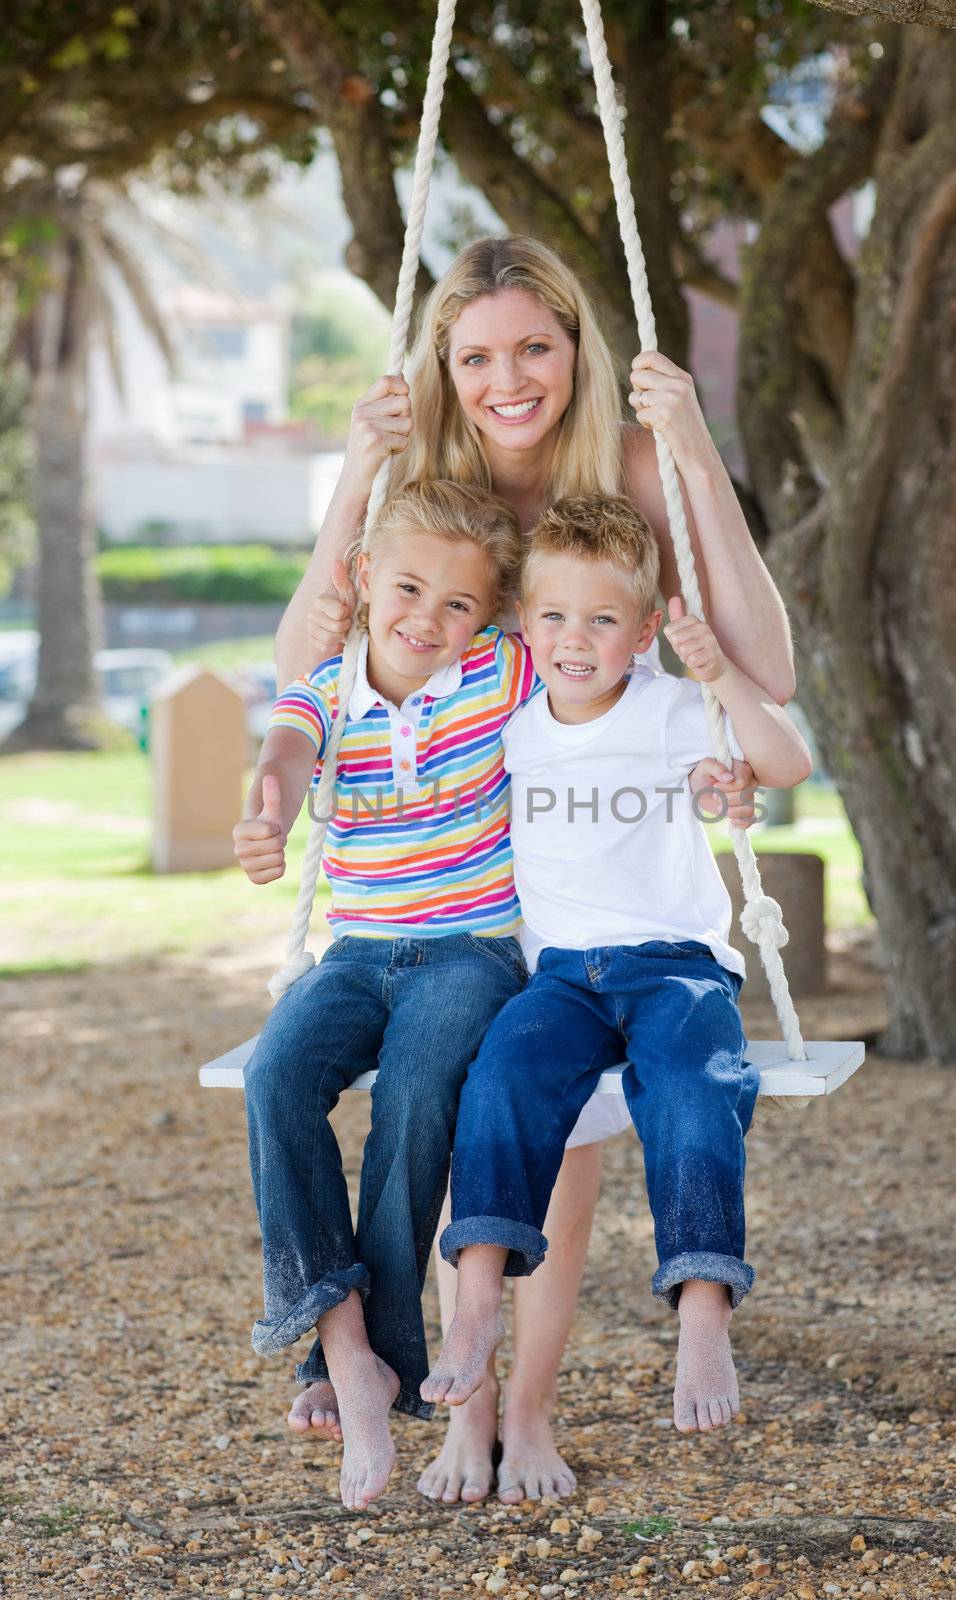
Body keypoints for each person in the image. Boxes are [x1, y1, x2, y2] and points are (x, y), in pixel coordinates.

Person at [276, 235, 797, 1504]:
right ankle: (446, 1409)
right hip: (459, 875)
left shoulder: (617, 464)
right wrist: (354, 475)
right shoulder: (418, 474)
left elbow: (763, 671)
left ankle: (524, 1411)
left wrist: (694, 460)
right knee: (476, 1129)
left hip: (596, 882)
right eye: (475, 356)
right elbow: (307, 662)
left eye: (535, 348)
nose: (508, 379)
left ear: (576, 348)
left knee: (560, 1152)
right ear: (440, 369)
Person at [421, 494, 812, 1434]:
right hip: (560, 975)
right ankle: (475, 1298)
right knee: (500, 1077)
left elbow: (784, 762)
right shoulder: (513, 725)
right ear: (524, 623)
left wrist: (720, 685)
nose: (574, 639)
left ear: (642, 632)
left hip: (675, 968)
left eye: (601, 620)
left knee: (692, 1087)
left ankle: (702, 1302)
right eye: (553, 616)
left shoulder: (674, 710)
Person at [232, 480, 539, 1512]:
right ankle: (346, 1347)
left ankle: (366, 1366)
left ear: (486, 616)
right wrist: (271, 798)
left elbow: (599, 655)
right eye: (407, 586)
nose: (427, 618)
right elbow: (286, 746)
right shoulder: (325, 685)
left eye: (458, 603)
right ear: (364, 580)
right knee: (275, 1074)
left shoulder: (499, 673)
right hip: (355, 950)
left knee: (416, 1090)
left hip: (469, 950)